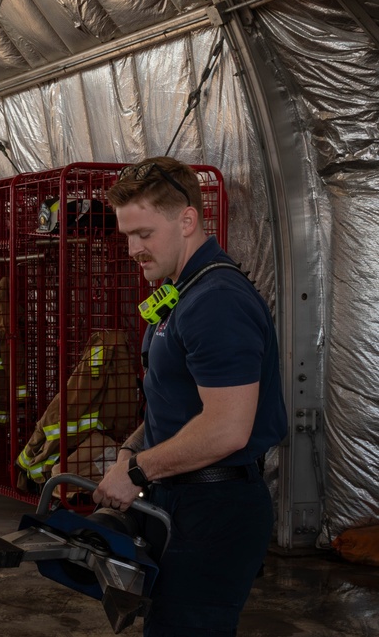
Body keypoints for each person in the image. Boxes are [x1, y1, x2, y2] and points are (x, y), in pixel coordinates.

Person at [93, 156, 288, 636]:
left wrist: (137, 472)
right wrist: (130, 450)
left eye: (144, 234)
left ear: (187, 220)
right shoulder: (184, 292)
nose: (134, 249)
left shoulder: (215, 300)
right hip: (180, 500)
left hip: (215, 507)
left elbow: (225, 427)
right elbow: (179, 403)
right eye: (127, 237)